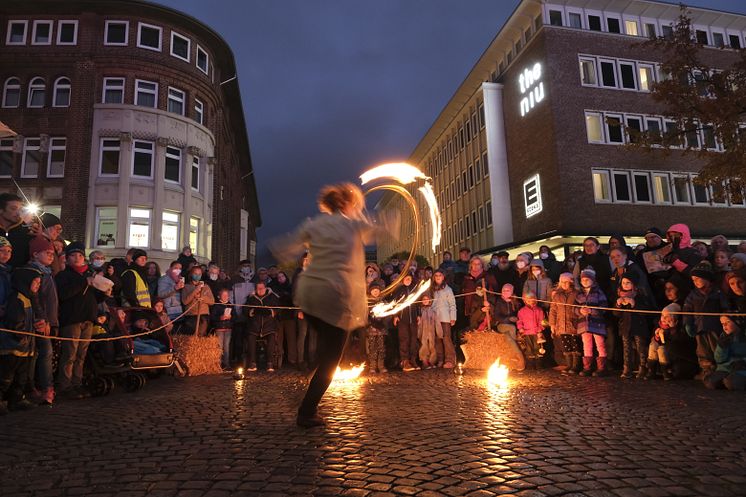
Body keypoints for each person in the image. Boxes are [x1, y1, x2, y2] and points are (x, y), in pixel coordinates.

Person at [270, 182, 397, 428]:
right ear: (346, 204)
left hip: (308, 296)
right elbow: (382, 227)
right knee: (331, 358)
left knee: (325, 349)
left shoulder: (314, 223)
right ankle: (307, 411)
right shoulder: (352, 224)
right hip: (335, 299)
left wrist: (282, 249)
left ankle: (309, 385)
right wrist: (389, 217)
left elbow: (283, 247)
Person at [55, 242, 104, 399]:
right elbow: (64, 294)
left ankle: (77, 383)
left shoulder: (89, 275)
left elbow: (93, 298)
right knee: (69, 354)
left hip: (88, 319)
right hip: (72, 319)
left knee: (81, 355)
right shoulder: (64, 275)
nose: (77, 258)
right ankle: (65, 385)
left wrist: (105, 293)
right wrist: (84, 282)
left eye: (80, 255)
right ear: (67, 258)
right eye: (73, 255)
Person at [0, 266, 47, 414]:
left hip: (25, 347)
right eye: (35, 282)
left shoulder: (30, 298)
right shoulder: (17, 298)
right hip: (13, 346)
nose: (38, 286)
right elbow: (14, 321)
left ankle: (16, 399)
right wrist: (23, 332)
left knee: (21, 377)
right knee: (6, 376)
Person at [26, 236, 58, 405]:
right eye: (47, 252)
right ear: (35, 254)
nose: (51, 255)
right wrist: (43, 318)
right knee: (42, 353)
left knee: (42, 354)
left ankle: (40, 387)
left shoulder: (47, 272)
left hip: (47, 320)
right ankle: (43, 388)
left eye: (52, 253)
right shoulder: (35, 272)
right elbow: (36, 297)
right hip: (40, 321)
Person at [683, 261, 727, 378]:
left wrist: (726, 321)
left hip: (715, 327)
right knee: (702, 350)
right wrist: (688, 323)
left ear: (707, 278)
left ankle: (720, 369)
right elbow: (687, 310)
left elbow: (725, 308)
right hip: (700, 327)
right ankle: (706, 369)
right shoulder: (693, 295)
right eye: (693, 280)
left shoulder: (718, 293)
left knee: (716, 348)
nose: (695, 282)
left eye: (698, 279)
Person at [613, 273, 652, 379]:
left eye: (628, 283)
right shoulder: (619, 295)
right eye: (623, 283)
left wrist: (635, 304)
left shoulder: (640, 295)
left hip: (638, 326)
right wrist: (618, 305)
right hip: (625, 326)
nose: (625, 285)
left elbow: (646, 311)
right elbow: (615, 314)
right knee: (626, 348)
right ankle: (627, 368)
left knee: (641, 347)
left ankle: (643, 367)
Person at [575, 268, 609, 377]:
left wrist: (592, 311)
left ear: (593, 280)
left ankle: (602, 367)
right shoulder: (579, 294)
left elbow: (604, 307)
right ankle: (587, 367)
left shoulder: (598, 292)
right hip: (583, 324)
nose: (585, 281)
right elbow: (573, 307)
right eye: (583, 279)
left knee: (600, 344)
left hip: (597, 323)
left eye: (587, 279)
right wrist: (579, 310)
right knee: (587, 345)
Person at [703, 316, 746, 390]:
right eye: (722, 323)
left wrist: (743, 361)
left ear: (737, 322)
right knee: (710, 382)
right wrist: (721, 347)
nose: (724, 325)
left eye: (728, 322)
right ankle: (728, 380)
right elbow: (719, 359)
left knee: (731, 382)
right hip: (726, 368)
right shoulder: (724, 336)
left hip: (741, 367)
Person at [549, 273, 581, 374]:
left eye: (567, 282)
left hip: (573, 324)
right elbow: (553, 310)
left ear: (571, 282)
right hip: (561, 325)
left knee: (575, 345)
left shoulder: (576, 294)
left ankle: (576, 365)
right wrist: (552, 324)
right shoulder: (557, 295)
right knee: (566, 345)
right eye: (562, 282)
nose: (564, 284)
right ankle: (569, 364)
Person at [246, 281, 280, 372]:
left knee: (272, 339)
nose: (260, 290)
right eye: (258, 289)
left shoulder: (272, 297)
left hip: (269, 325)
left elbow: (278, 309)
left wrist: (272, 312)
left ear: (265, 288)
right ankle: (252, 363)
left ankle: (270, 363)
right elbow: (245, 309)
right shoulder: (251, 298)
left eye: (261, 288)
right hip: (255, 325)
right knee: (250, 338)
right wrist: (250, 312)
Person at [0, 193, 36, 269]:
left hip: (18, 277)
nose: (18, 213)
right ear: (1, 210)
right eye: (13, 209)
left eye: (20, 209)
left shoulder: (27, 231)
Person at [393, 273, 420, 372]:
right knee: (404, 339)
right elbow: (395, 304)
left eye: (409, 278)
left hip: (413, 318)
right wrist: (395, 316)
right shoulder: (399, 290)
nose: (408, 280)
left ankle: (413, 359)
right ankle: (405, 360)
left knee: (413, 339)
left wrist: (418, 315)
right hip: (402, 318)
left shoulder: (414, 289)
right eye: (406, 278)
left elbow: (417, 303)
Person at [431, 269, 457, 368]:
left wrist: (453, 317)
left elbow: (452, 304)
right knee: (437, 339)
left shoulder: (448, 289)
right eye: (436, 275)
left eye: (440, 275)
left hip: (445, 317)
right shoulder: (432, 289)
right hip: (435, 317)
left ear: (443, 277)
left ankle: (450, 359)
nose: (438, 277)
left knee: (446, 338)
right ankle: (440, 359)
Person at [646, 303, 679, 381]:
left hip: (668, 346)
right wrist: (656, 336)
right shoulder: (658, 325)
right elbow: (654, 337)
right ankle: (651, 370)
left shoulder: (674, 328)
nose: (663, 318)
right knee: (652, 346)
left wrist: (672, 328)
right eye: (662, 316)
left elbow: (674, 339)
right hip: (657, 343)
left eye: (667, 316)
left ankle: (665, 371)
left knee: (661, 350)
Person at [269, 271, 294, 369]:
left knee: (291, 338)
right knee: (278, 339)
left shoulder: (290, 287)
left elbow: (291, 299)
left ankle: (292, 359)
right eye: (278, 277)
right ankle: (278, 360)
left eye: (282, 276)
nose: (280, 278)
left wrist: (284, 295)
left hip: (289, 316)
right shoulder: (275, 288)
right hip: (279, 316)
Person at [181, 265, 215, 336]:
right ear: (191, 274)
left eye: (199, 274)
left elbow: (212, 301)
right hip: (191, 315)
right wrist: (194, 292)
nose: (197, 276)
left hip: (203, 315)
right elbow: (185, 301)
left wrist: (202, 298)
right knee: (192, 336)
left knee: (201, 336)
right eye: (195, 274)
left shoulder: (206, 287)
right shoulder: (186, 287)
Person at [516, 291, 546, 369]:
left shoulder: (539, 310)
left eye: (533, 300)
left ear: (535, 300)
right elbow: (519, 321)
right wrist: (520, 328)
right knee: (529, 349)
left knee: (538, 348)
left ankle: (539, 364)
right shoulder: (522, 311)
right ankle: (530, 365)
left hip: (537, 333)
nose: (531, 302)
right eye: (528, 300)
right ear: (525, 301)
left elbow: (542, 321)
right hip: (527, 333)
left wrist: (540, 329)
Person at [366, 282, 388, 374]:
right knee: (372, 348)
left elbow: (388, 314)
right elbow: (364, 315)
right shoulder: (367, 302)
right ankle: (372, 366)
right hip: (371, 328)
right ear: (370, 291)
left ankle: (381, 365)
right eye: (374, 290)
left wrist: (383, 322)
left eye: (377, 290)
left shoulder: (383, 302)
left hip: (381, 329)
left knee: (381, 347)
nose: (375, 292)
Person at [210, 288, 235, 371]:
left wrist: (231, 317)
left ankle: (227, 364)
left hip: (228, 328)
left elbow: (235, 317)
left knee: (227, 347)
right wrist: (220, 318)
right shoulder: (216, 305)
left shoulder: (230, 305)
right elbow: (212, 317)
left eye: (227, 295)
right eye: (224, 295)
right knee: (219, 347)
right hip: (219, 328)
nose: (226, 297)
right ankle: (219, 364)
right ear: (219, 296)